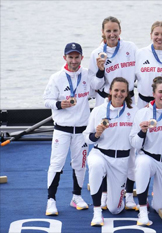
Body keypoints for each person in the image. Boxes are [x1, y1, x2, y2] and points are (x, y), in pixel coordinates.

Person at [43, 42, 104, 216]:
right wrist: (58, 104)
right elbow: (46, 99)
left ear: (82, 58)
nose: (74, 60)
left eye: (77, 57)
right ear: (65, 58)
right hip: (62, 129)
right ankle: (51, 200)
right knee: (56, 164)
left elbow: (97, 87)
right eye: (70, 57)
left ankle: (76, 196)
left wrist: (100, 70)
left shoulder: (86, 74)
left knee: (80, 164)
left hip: (82, 130)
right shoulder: (56, 78)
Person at [88, 16, 138, 210]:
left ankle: (130, 195)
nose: (112, 34)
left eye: (115, 30)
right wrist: (100, 71)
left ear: (120, 31)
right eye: (108, 31)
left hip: (129, 100)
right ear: (102, 32)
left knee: (130, 148)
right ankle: (105, 193)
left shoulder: (130, 48)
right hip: (107, 99)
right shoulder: (96, 53)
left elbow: (140, 73)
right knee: (106, 145)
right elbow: (94, 85)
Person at [83, 77, 138, 226]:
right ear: (110, 91)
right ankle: (96, 212)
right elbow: (87, 138)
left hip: (121, 161)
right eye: (116, 90)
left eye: (122, 91)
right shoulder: (99, 110)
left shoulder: (134, 112)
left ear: (127, 93)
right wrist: (96, 135)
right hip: (100, 153)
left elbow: (137, 141)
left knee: (115, 209)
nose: (119, 94)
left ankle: (110, 194)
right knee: (95, 166)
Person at [129, 77, 162, 226]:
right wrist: (142, 132)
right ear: (153, 94)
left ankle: (159, 198)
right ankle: (143, 210)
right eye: (160, 92)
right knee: (142, 164)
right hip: (149, 157)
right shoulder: (142, 113)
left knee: (160, 207)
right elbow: (134, 143)